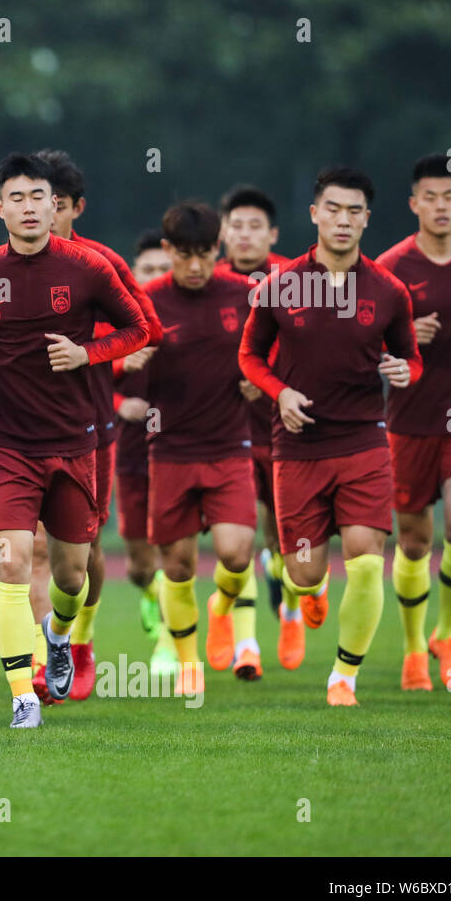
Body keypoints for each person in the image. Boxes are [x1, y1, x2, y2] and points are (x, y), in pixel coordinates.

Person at [0, 152, 149, 728]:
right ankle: (22, 697)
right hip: (5, 443)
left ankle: (59, 636)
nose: (30, 207)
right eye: (18, 198)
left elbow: (139, 328)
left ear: (54, 205)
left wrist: (89, 353)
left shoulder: (87, 269)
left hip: (76, 442)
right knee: (10, 565)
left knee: (70, 577)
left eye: (40, 197)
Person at [239, 166, 422, 706]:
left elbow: (411, 357)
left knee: (367, 558)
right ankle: (305, 591)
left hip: (365, 443)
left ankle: (344, 676)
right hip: (297, 449)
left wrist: (406, 371)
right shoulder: (278, 286)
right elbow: (248, 356)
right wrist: (281, 393)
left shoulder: (389, 291)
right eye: (334, 209)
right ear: (315, 213)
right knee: (301, 571)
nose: (344, 220)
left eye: (355, 211)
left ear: (367, 218)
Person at [378, 154, 451, 692]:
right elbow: (368, 337)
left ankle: (447, 635)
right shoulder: (392, 266)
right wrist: (405, 337)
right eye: (430, 197)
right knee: (413, 543)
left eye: (449, 197)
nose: (441, 206)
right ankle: (412, 649)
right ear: (414, 205)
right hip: (409, 421)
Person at [141, 202, 259, 694]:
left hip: (229, 448)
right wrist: (125, 364)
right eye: (184, 255)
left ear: (220, 250)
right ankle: (189, 663)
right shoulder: (144, 299)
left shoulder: (247, 294)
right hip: (169, 453)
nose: (194, 266)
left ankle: (223, 607)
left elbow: (286, 348)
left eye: (205, 255)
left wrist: (264, 377)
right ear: (168, 251)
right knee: (178, 567)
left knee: (236, 554)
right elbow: (103, 355)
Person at [219, 185, 292, 627]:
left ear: (273, 233)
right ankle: (244, 641)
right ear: (223, 232)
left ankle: (280, 577)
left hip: (285, 422)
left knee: (281, 526)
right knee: (240, 529)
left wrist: (266, 381)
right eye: (237, 226)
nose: (245, 235)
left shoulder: (296, 278)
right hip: (225, 426)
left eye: (255, 226)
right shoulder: (205, 278)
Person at [114, 229, 176, 674]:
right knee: (139, 564)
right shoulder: (117, 322)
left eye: (163, 269)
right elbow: (84, 382)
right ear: (135, 276)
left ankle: (171, 644)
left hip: (180, 452)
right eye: (148, 270)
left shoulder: (185, 319)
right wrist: (121, 400)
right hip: (130, 455)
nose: (156, 277)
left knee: (177, 551)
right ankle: (150, 595)